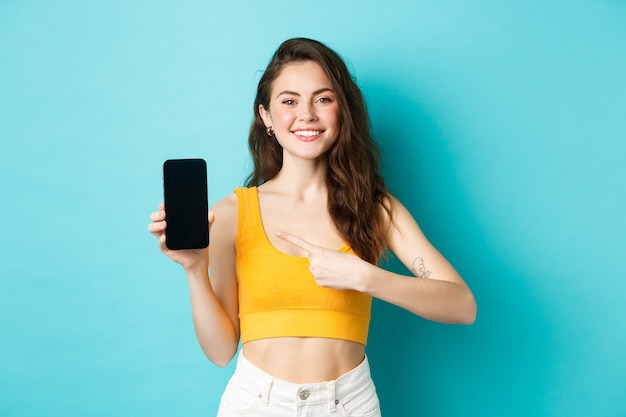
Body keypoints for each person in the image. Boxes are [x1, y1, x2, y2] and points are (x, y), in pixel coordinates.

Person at [148, 37, 476, 417]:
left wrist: (365, 277)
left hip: (349, 404)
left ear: (342, 111)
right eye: (288, 101)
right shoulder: (233, 213)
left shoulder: (374, 208)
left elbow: (462, 305)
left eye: (323, 99)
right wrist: (193, 270)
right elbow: (221, 352)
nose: (306, 114)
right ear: (266, 116)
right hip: (256, 403)